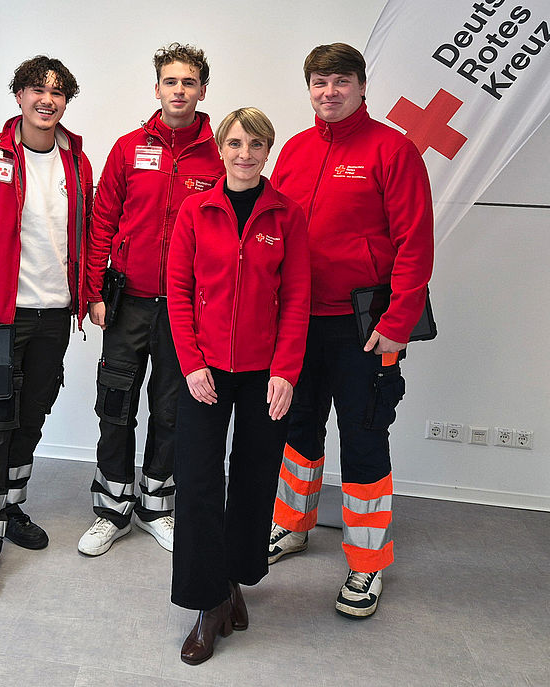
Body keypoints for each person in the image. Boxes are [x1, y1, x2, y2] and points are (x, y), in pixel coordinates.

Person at [267, 43, 433, 618]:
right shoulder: (294, 149)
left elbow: (415, 242)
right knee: (298, 428)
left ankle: (367, 561)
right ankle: (293, 525)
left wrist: (398, 323)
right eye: (320, 81)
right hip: (298, 323)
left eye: (341, 80)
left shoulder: (393, 149)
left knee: (363, 439)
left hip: (365, 329)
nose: (329, 91)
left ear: (362, 86)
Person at [0, 56, 92, 601]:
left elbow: (85, 234)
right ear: (19, 96)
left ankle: (8, 509)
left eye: (57, 92)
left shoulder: (77, 161)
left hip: (53, 316)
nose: (46, 100)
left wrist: (86, 296)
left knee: (31, 419)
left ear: (66, 100)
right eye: (36, 89)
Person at [167, 108, 310, 664]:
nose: (245, 154)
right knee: (198, 483)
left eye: (256, 144)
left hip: (264, 373)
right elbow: (179, 291)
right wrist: (191, 363)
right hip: (204, 371)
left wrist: (285, 370)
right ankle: (208, 603)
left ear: (268, 151)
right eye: (234, 143)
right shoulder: (196, 210)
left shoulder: (287, 214)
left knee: (253, 479)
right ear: (220, 149)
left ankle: (233, 582)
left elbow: (296, 298)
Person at [77, 43, 223, 557]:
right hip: (128, 302)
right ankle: (111, 508)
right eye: (170, 81)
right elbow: (102, 221)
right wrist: (93, 291)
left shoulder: (219, 154)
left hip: (186, 309)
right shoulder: (127, 148)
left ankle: (157, 506)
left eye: (189, 82)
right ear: (157, 88)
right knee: (115, 405)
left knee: (172, 409)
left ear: (202, 91)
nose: (179, 90)